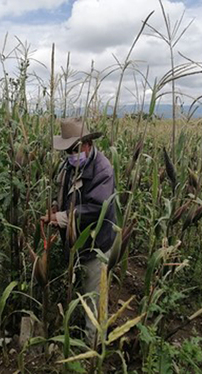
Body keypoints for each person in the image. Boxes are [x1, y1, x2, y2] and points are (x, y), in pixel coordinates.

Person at [41, 117, 116, 343]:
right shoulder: (69, 165)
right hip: (76, 243)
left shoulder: (103, 169)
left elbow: (96, 207)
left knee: (94, 299)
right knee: (80, 290)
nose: (71, 154)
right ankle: (78, 329)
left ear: (87, 144)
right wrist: (56, 206)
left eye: (74, 149)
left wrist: (62, 217)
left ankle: (93, 349)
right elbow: (62, 189)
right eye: (68, 151)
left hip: (96, 245)